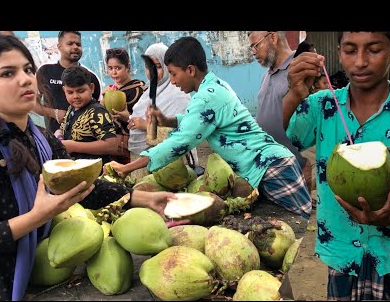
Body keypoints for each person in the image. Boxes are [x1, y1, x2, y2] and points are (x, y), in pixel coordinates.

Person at [0, 33, 175, 301]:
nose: (25, 79)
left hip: (35, 275)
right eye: (7, 73)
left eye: (27, 69)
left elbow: (84, 187)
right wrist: (36, 217)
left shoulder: (42, 139)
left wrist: (141, 198)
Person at [283, 31, 390, 300]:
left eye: (374, 50)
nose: (361, 61)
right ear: (339, 52)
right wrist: (295, 94)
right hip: (344, 250)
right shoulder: (322, 107)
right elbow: (293, 134)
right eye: (350, 50)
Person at [108, 36, 311, 219]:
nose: (172, 81)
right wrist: (166, 120)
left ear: (190, 70)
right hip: (263, 167)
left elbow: (179, 143)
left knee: (300, 225)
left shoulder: (207, 96)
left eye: (173, 74)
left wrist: (127, 168)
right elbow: (195, 120)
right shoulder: (213, 86)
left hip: (272, 167)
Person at [248, 31, 313, 192]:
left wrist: (304, 163)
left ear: (273, 37)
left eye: (256, 45)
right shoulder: (266, 75)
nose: (253, 52)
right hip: (271, 165)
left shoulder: (299, 68)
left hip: (296, 166)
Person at [127, 42, 197, 181]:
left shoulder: (178, 94)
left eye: (158, 67)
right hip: (141, 163)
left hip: (170, 167)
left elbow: (182, 137)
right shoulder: (149, 91)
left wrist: (143, 125)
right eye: (148, 67)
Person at [35, 31, 102, 134]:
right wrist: (54, 113)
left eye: (78, 44)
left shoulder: (91, 77)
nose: (75, 47)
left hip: (85, 140)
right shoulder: (45, 72)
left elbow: (98, 107)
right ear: (59, 46)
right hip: (55, 139)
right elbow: (33, 104)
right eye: (70, 43)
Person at [56, 65, 119, 167]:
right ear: (64, 91)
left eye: (81, 91)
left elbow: (112, 145)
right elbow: (64, 130)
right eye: (70, 92)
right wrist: (58, 134)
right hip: (76, 171)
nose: (76, 96)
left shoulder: (97, 112)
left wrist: (73, 146)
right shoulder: (71, 108)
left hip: (96, 174)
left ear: (91, 88)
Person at [102, 47, 146, 163]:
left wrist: (127, 117)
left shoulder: (138, 90)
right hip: (113, 146)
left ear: (128, 67)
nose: (113, 72)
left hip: (131, 148)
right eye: (110, 68)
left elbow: (145, 122)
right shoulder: (111, 90)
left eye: (118, 68)